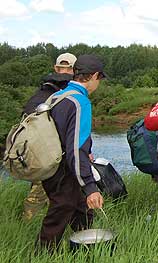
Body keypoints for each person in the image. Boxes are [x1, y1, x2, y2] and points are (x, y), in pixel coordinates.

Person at [38, 54, 105, 250]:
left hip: (49, 165)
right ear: (93, 76)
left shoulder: (57, 96)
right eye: (99, 79)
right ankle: (42, 254)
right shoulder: (80, 102)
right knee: (60, 213)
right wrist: (90, 186)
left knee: (81, 210)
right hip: (64, 171)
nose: (98, 83)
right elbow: (76, 148)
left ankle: (84, 250)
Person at [21, 53, 77, 221]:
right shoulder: (66, 92)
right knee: (41, 193)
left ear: (55, 68)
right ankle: (30, 224)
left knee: (42, 190)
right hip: (51, 153)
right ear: (75, 71)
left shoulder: (43, 89)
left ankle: (34, 222)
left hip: (35, 149)